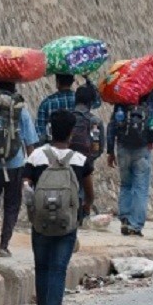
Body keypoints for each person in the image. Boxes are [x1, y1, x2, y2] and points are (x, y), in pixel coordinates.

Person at [23, 110, 95, 305]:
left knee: (42, 266)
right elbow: (89, 192)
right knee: (58, 268)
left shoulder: (36, 156)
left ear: (50, 130)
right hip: (67, 223)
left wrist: (34, 208)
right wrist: (85, 208)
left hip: (41, 222)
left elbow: (25, 185)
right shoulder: (81, 160)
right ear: (72, 133)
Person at [106, 78, 153, 236]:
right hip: (143, 150)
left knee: (125, 184)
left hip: (123, 148)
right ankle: (135, 225)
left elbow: (112, 126)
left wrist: (110, 151)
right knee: (140, 188)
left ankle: (125, 218)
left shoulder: (123, 101)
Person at [0, 81, 39, 257]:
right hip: (15, 164)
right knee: (12, 206)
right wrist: (32, 169)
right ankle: (4, 246)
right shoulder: (21, 110)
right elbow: (30, 143)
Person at [69, 82, 106, 227]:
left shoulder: (68, 117)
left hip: (66, 159)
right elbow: (99, 147)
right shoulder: (95, 121)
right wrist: (90, 159)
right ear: (90, 102)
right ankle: (82, 214)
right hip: (86, 161)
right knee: (85, 188)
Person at [36, 74, 75, 144]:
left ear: (57, 82)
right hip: (77, 148)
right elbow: (97, 102)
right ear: (73, 81)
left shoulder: (46, 103)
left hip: (53, 148)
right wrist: (87, 79)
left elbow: (40, 133)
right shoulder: (80, 99)